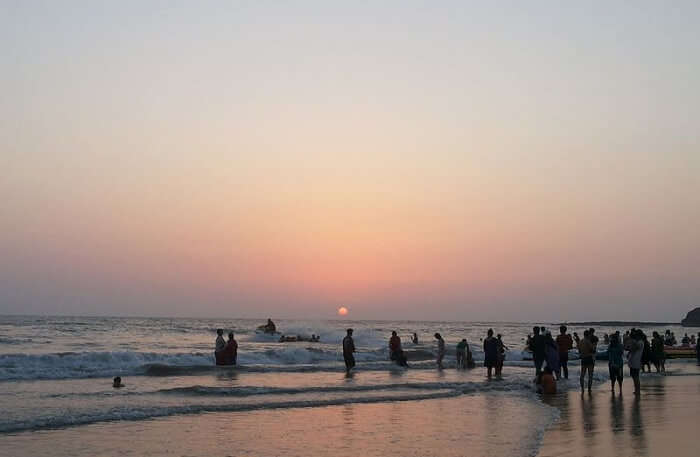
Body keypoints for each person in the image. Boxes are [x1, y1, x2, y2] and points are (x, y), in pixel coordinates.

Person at [627, 329, 644, 396]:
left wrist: (632, 342)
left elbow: (633, 348)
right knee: (635, 377)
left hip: (635, 361)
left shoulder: (639, 342)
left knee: (636, 377)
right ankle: (637, 390)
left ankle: (638, 390)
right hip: (635, 361)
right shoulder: (639, 342)